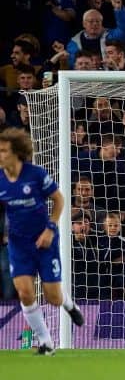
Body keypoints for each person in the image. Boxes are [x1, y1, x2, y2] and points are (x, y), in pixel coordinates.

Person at [0, 128, 84, 355]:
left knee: (53, 297)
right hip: (19, 244)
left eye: (3, 151)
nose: (0, 155)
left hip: (44, 240)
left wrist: (50, 229)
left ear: (16, 152)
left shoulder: (35, 174)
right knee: (25, 292)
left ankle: (68, 304)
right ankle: (46, 342)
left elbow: (58, 199)